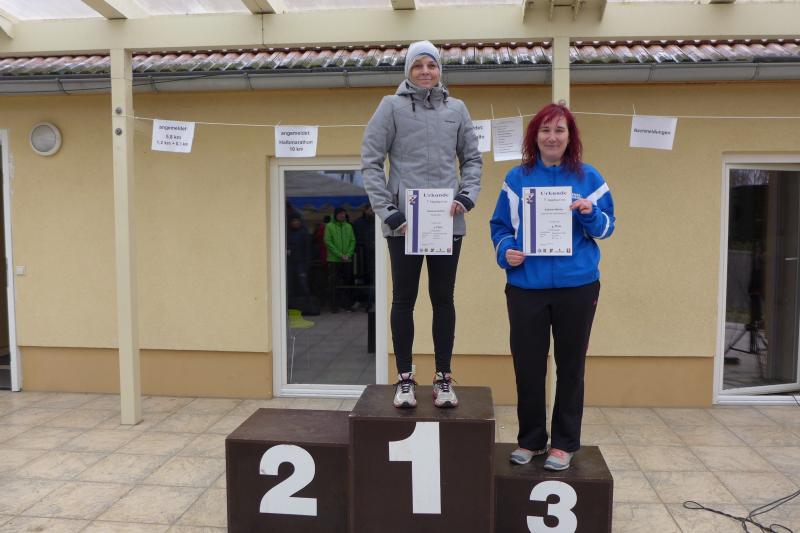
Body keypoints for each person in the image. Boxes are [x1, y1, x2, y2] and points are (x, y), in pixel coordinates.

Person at [490, 103, 615, 471]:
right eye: (545, 130)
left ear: (570, 136)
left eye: (560, 130)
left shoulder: (590, 178)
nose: (552, 137)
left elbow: (608, 227)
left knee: (571, 367)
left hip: (578, 286)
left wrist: (590, 214)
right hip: (526, 287)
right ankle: (530, 441)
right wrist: (506, 251)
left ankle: (564, 443)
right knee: (528, 367)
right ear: (535, 137)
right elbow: (500, 226)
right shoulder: (516, 179)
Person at [362, 40, 482, 408]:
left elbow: (472, 160)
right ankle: (405, 380)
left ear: (440, 70)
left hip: (447, 223)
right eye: (418, 65)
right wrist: (388, 210)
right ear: (408, 71)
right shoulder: (391, 107)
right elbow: (371, 162)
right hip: (403, 225)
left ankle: (443, 378)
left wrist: (466, 196)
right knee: (404, 299)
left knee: (443, 299)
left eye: (431, 65)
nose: (425, 72)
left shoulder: (457, 109)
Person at [324, 207, 356, 312]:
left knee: (347, 283)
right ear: (335, 215)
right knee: (333, 284)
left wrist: (348, 254)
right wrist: (340, 255)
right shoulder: (329, 226)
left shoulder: (348, 226)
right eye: (340, 214)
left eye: (344, 214)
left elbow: (353, 241)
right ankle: (334, 306)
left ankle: (347, 305)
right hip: (334, 260)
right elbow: (328, 241)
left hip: (347, 260)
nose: (342, 215)